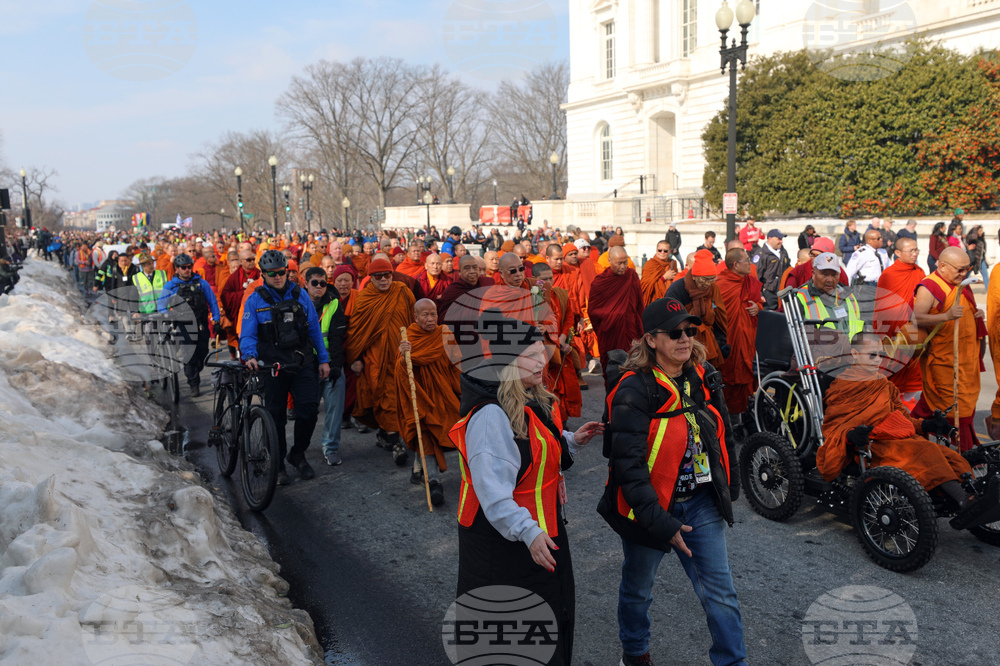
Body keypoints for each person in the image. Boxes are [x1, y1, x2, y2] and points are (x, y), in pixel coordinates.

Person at [451, 313, 603, 666]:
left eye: (542, 352)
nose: (542, 361)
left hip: (539, 536)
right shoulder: (490, 417)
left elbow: (531, 448)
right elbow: (493, 493)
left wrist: (570, 440)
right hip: (506, 548)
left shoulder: (530, 397)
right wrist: (529, 532)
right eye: (531, 355)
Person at [601, 298, 744, 666]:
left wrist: (730, 482)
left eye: (690, 331)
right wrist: (660, 522)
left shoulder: (702, 374)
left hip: (700, 500)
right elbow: (628, 467)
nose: (685, 338)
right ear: (651, 340)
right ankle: (635, 654)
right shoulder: (634, 390)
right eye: (674, 332)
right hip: (651, 506)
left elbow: (723, 430)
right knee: (638, 591)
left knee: (721, 594)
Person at [815, 331, 997, 532]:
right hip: (870, 446)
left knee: (948, 454)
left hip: (897, 436)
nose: (879, 361)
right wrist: (850, 435)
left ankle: (970, 493)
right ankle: (963, 500)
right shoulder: (844, 385)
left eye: (881, 355)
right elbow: (833, 426)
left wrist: (927, 425)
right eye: (872, 355)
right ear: (855, 354)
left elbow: (903, 417)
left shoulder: (883, 383)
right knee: (929, 452)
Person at [240, 250, 331, 485]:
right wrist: (249, 356)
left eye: (282, 272)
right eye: (272, 274)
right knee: (276, 416)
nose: (278, 277)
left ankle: (297, 454)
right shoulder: (255, 300)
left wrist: (323, 359)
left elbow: (314, 331)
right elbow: (247, 335)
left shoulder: (301, 296)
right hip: (272, 366)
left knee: (309, 409)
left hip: (301, 362)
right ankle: (278, 463)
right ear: (263, 275)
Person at [912, 246, 987, 452]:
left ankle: (912, 434)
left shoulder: (961, 284)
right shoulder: (929, 286)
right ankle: (964, 454)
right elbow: (916, 317)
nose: (964, 274)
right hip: (944, 362)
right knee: (956, 409)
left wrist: (976, 313)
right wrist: (945, 316)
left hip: (966, 359)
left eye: (967, 269)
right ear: (943, 266)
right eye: (960, 270)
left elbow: (962, 311)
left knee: (938, 406)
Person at [345, 257, 416, 464]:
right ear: (371, 278)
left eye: (387, 275)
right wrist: (355, 358)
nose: (383, 280)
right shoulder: (365, 298)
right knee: (384, 398)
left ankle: (392, 440)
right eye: (378, 276)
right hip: (376, 359)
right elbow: (356, 333)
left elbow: (413, 321)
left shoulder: (403, 292)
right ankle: (393, 439)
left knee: (401, 399)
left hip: (401, 357)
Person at [395, 299, 460, 505]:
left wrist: (462, 392)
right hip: (421, 397)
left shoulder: (445, 334)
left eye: (433, 314)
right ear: (415, 317)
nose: (431, 319)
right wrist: (403, 356)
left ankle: (417, 470)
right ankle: (433, 482)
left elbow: (456, 365)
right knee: (425, 435)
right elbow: (400, 370)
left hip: (444, 396)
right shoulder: (409, 337)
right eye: (425, 315)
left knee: (449, 433)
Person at [157, 253, 221, 399]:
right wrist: (166, 316)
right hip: (182, 324)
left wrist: (216, 320)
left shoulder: (201, 283)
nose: (187, 270)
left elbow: (212, 302)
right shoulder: (171, 285)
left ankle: (195, 371)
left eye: (189, 267)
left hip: (201, 323)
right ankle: (193, 383)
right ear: (177, 269)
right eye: (184, 268)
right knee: (189, 354)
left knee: (202, 352)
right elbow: (161, 305)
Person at [873, 237, 925, 409]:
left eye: (916, 250)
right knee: (892, 371)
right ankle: (890, 404)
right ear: (897, 253)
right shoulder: (889, 274)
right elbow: (882, 305)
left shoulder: (919, 272)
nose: (915, 253)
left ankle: (908, 403)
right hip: (893, 331)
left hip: (913, 330)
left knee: (912, 373)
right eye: (911, 250)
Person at [303, 266, 347, 467]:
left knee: (334, 408)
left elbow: (338, 338)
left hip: (330, 363)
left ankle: (330, 448)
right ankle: (300, 449)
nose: (319, 287)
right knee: (308, 410)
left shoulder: (335, 304)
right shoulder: (299, 303)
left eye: (323, 283)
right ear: (306, 284)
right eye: (315, 283)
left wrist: (336, 366)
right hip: (306, 365)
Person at [531, 262, 582, 422]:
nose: (548, 282)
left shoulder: (560, 294)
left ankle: (562, 422)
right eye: (543, 279)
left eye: (550, 278)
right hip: (543, 353)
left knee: (564, 389)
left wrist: (562, 338)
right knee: (544, 388)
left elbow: (568, 318)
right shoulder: (531, 300)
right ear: (534, 280)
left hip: (560, 348)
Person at [717, 248, 763, 417]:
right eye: (747, 261)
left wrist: (757, 307)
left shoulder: (750, 281)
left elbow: (759, 302)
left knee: (747, 374)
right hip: (729, 340)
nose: (751, 263)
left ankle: (748, 414)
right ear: (735, 265)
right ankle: (728, 417)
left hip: (747, 339)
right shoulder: (721, 284)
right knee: (727, 378)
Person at [665, 249, 729, 369]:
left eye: (711, 279)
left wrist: (721, 341)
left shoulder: (713, 288)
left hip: (709, 342)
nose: (708, 283)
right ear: (694, 276)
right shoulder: (677, 289)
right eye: (704, 279)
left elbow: (719, 317)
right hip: (683, 341)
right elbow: (671, 320)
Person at [793, 253, 863, 360]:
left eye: (834, 275)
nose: (830, 279)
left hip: (852, 360)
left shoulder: (850, 295)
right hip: (821, 361)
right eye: (824, 274)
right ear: (813, 273)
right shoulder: (801, 296)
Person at [589, 246, 644, 378]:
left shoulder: (632, 276)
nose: (623, 266)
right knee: (612, 373)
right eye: (619, 263)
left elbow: (639, 306)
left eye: (625, 262)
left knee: (634, 372)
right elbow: (593, 311)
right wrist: (613, 316)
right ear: (609, 260)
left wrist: (642, 332)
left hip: (631, 332)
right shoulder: (600, 282)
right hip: (610, 333)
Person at [437, 255, 492, 323]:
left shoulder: (488, 283)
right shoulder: (452, 291)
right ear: (459, 272)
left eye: (475, 268)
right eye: (467, 268)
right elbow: (444, 318)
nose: (472, 271)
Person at [752, 229, 790, 310]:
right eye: (779, 239)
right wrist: (760, 294)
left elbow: (788, 269)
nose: (781, 241)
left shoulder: (783, 252)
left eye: (781, 239)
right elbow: (755, 276)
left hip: (782, 291)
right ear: (770, 239)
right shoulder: (761, 254)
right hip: (768, 293)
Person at [640, 240, 679, 308]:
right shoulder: (650, 264)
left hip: (669, 301)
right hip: (654, 301)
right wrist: (664, 278)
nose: (662, 253)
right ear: (656, 250)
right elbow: (645, 286)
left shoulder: (673, 263)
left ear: (670, 251)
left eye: (665, 251)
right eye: (660, 250)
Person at [966, 224, 989, 290]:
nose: (981, 232)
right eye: (980, 231)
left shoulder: (981, 239)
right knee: (966, 275)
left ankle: (988, 290)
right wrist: (975, 229)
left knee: (985, 276)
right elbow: (972, 237)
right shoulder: (972, 238)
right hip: (973, 260)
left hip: (981, 260)